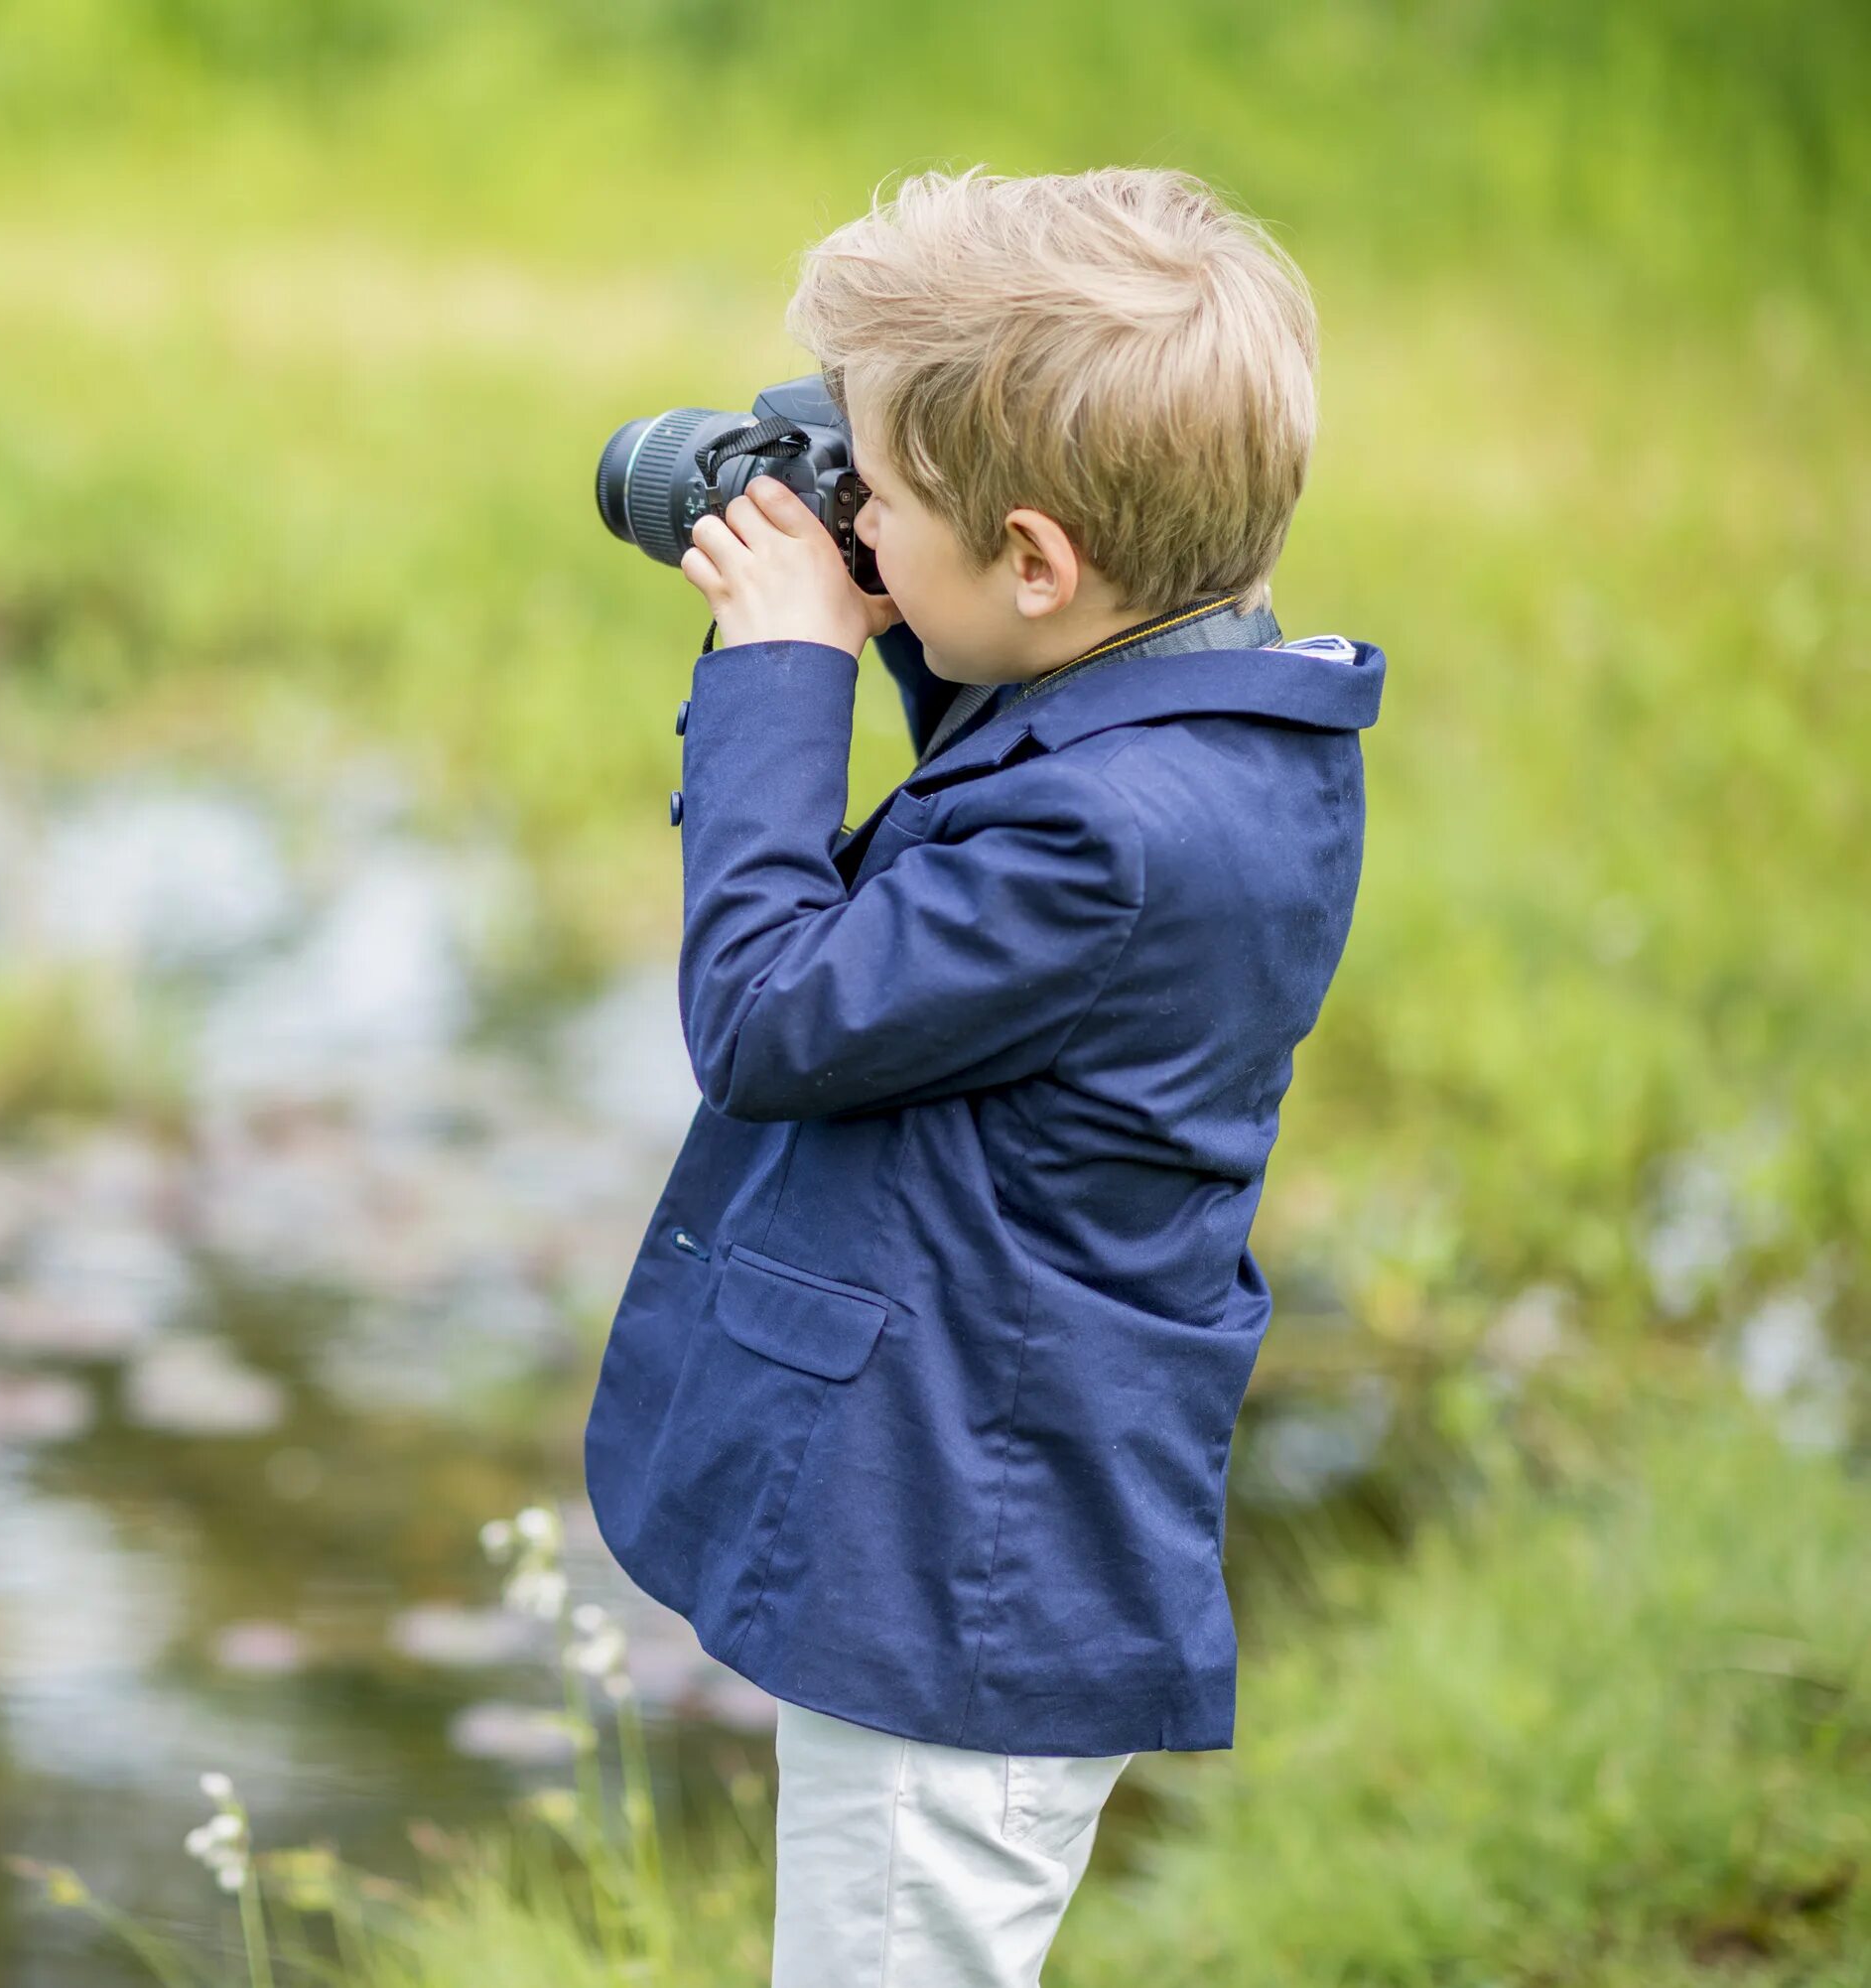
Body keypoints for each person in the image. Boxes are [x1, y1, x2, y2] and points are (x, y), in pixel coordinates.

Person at [582, 166, 1384, 1986]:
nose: (850, 517)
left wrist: (785, 667)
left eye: (885, 494)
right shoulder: (1212, 732)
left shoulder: (1098, 850)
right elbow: (1028, 735)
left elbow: (776, 1017)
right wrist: (900, 560)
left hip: (962, 1577)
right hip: (987, 1521)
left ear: (1035, 561)